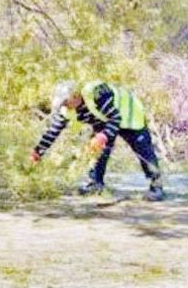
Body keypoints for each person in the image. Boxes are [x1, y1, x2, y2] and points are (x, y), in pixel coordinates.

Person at [31, 80, 165, 201]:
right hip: (104, 119)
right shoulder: (66, 109)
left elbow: (116, 118)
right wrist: (38, 151)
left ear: (76, 95)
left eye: (66, 101)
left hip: (129, 115)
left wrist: (103, 136)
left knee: (143, 151)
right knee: (96, 149)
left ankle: (156, 186)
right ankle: (95, 184)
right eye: (62, 103)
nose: (64, 105)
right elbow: (52, 132)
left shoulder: (96, 94)